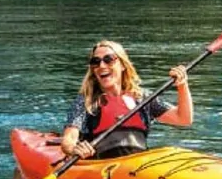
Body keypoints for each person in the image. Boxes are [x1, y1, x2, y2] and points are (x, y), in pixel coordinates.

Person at [59, 40, 192, 160]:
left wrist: (182, 85)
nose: (101, 65)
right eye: (96, 61)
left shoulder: (142, 98)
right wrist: (74, 149)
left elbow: (183, 119)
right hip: (102, 168)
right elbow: (69, 138)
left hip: (139, 167)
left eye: (108, 59)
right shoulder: (87, 101)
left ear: (123, 65)